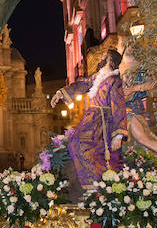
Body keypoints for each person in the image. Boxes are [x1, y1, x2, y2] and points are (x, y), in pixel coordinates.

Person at [51, 50, 128, 187]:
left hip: (103, 121)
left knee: (88, 146)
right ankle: (90, 182)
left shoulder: (114, 81)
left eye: (104, 55)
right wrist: (60, 93)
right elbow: (82, 84)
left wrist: (119, 135)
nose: (101, 56)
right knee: (75, 143)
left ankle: (100, 183)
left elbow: (118, 105)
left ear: (111, 60)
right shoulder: (97, 77)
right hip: (91, 118)